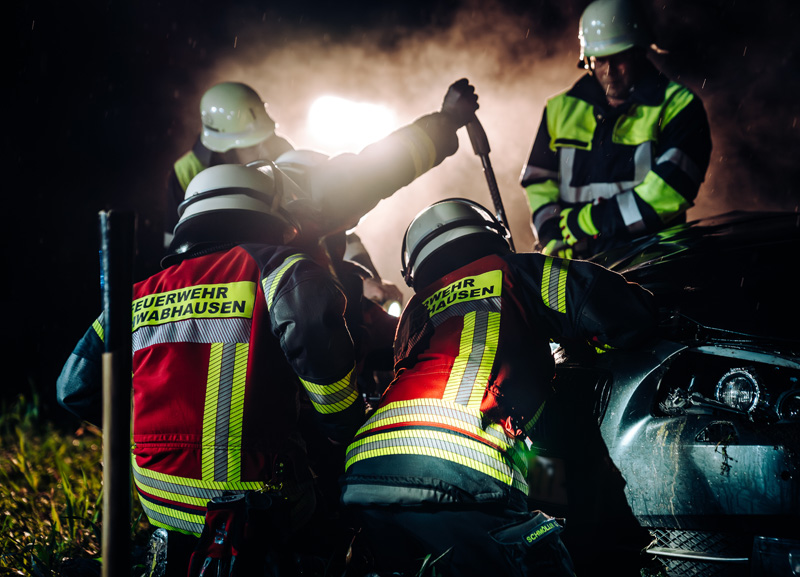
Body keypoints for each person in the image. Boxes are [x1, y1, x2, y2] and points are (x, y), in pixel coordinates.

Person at [57, 163, 365, 575]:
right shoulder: (282, 269)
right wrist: (344, 428)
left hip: (159, 500)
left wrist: (148, 429)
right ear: (272, 215)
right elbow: (315, 339)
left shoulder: (137, 293)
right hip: (260, 499)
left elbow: (72, 389)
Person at [339, 198, 659, 577]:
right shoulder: (516, 271)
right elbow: (619, 310)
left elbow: (533, 453)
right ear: (492, 234)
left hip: (367, 470)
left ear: (416, 270)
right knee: (547, 563)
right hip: (457, 462)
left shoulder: (414, 313)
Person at [520, 0, 712, 259]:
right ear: (587, 59)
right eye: (600, 59)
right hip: (579, 269)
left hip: (655, 263)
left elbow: (670, 191)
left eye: (619, 58)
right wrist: (551, 234)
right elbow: (539, 181)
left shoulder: (679, 106)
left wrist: (588, 222)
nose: (609, 71)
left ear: (638, 52)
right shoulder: (559, 109)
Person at [164, 81, 295, 247]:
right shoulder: (187, 171)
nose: (267, 153)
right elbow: (174, 246)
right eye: (251, 146)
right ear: (224, 150)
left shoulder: (283, 151)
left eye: (266, 139)